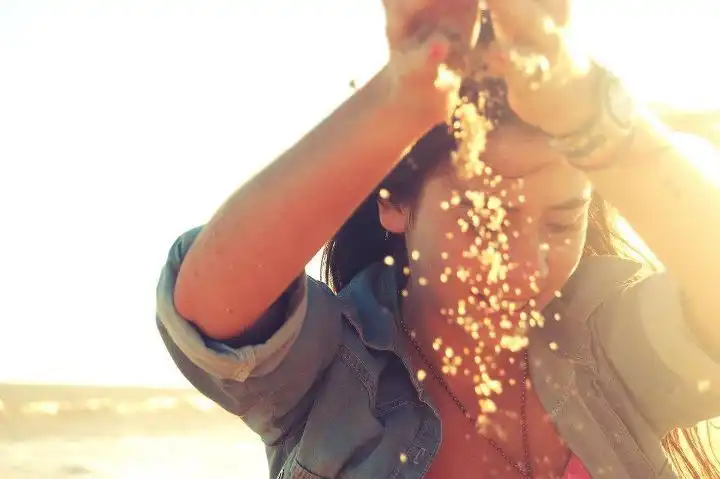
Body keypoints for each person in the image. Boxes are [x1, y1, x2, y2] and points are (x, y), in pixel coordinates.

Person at [155, 0, 720, 477]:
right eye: (485, 220)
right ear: (394, 202)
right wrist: (399, 99)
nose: (527, 265)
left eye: (561, 223)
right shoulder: (336, 373)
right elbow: (211, 304)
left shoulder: (604, 346)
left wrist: (590, 109)